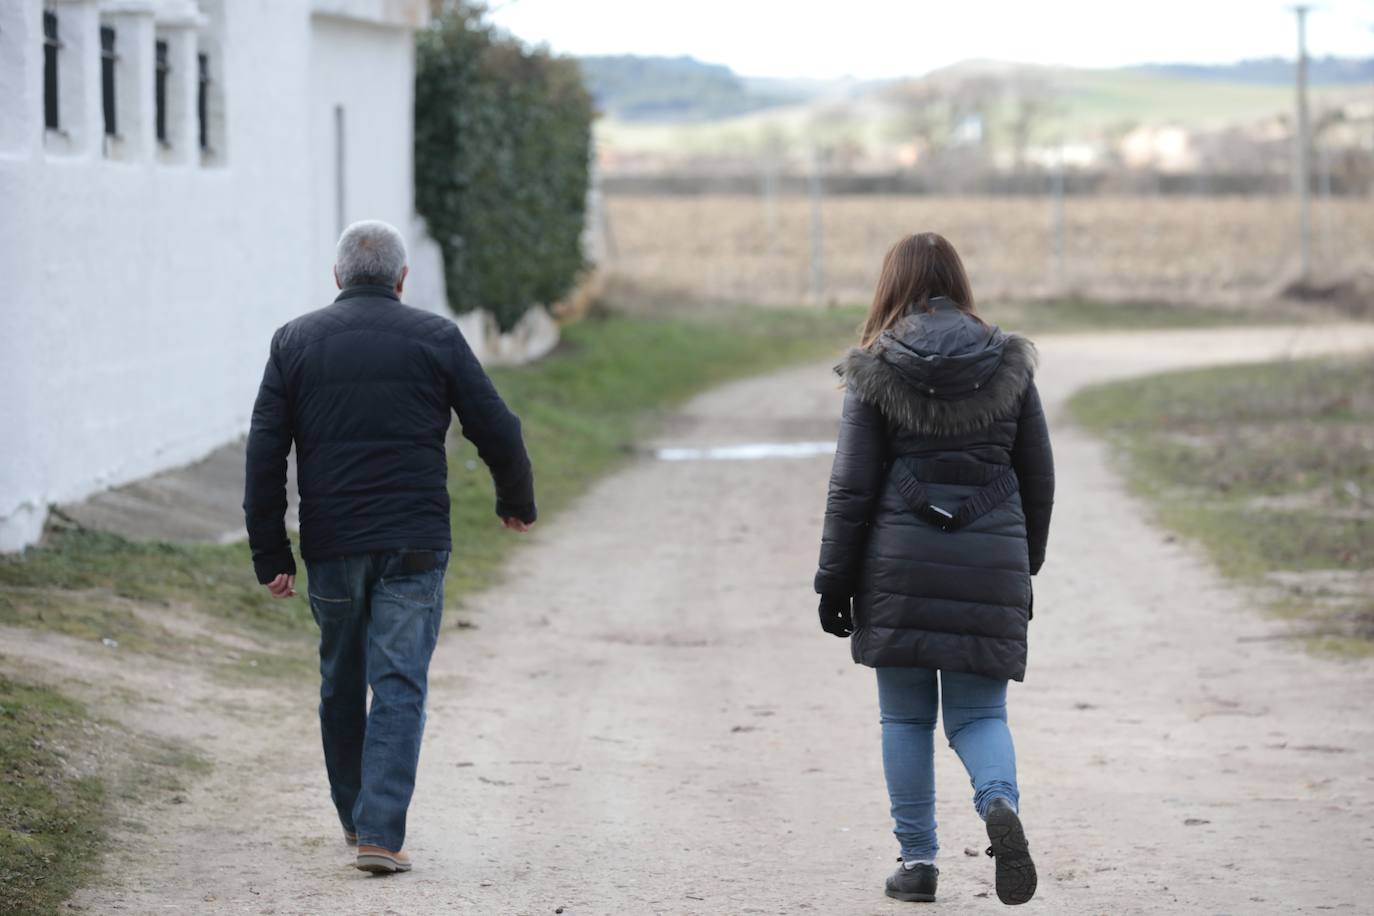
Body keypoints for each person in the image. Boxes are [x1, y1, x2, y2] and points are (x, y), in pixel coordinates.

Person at [243, 220, 536, 874]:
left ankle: (356, 817)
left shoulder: (294, 343)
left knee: (339, 678)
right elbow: (498, 426)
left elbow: (265, 454)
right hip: (414, 542)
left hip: (333, 545)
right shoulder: (436, 338)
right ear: (402, 279)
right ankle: (380, 831)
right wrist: (514, 500)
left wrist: (271, 552)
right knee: (399, 680)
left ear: (338, 278)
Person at [813, 232, 1054, 906]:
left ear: (891, 285)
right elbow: (1038, 476)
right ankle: (998, 804)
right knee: (979, 716)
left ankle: (918, 862)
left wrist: (835, 582)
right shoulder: (1009, 361)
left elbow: (851, 488)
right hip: (991, 562)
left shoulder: (874, 366)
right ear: (957, 279)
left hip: (899, 566)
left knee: (906, 721)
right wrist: (1021, 566)